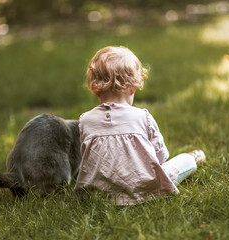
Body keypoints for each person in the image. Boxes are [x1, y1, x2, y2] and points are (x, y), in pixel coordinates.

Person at [74, 46, 206, 205]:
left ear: (94, 89)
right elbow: (161, 157)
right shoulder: (143, 117)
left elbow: (88, 158)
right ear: (133, 87)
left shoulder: (85, 120)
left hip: (98, 195)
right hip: (145, 190)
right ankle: (194, 158)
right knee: (183, 162)